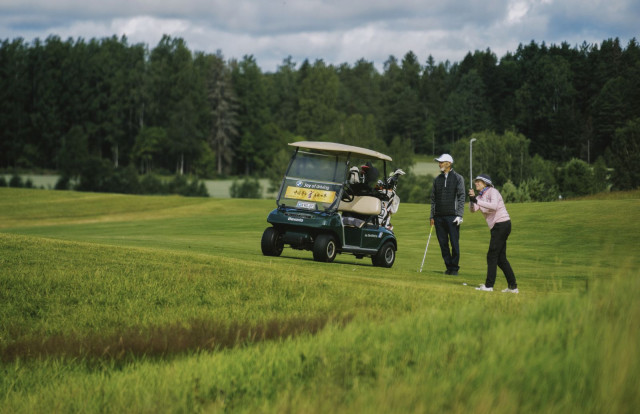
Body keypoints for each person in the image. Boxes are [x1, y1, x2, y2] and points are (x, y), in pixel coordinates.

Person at [468, 174, 519, 293]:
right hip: (497, 227)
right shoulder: (480, 197)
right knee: (501, 259)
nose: (476, 183)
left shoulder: (493, 191)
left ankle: (489, 286)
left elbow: (494, 206)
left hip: (502, 224)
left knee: (491, 255)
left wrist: (476, 200)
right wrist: (471, 200)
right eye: (476, 182)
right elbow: (473, 210)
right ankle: (513, 287)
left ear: (485, 183)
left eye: (478, 182)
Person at [429, 154, 465, 275]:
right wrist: (432, 216)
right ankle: (449, 267)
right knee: (443, 244)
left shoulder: (458, 178)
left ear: (449, 163)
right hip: (439, 217)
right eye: (439, 162)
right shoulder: (437, 179)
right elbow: (433, 199)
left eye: (441, 162)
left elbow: (461, 197)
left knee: (454, 243)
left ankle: (454, 268)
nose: (439, 164)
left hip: (453, 216)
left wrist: (460, 215)